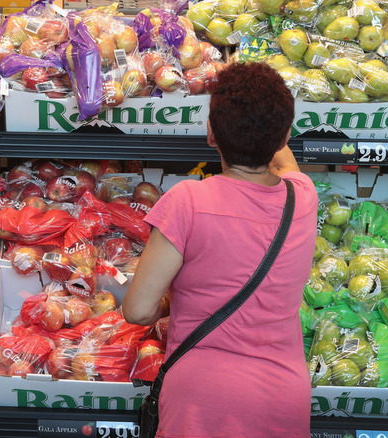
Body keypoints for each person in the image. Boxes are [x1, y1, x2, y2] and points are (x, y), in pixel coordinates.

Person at [122, 62, 319, 438]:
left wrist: (174, 297)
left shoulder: (187, 201)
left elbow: (137, 310)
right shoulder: (303, 196)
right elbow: (282, 158)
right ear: (285, 136)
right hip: (283, 395)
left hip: (201, 399)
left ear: (210, 132)